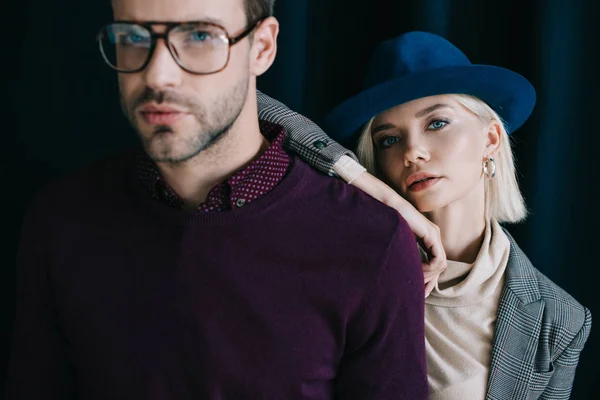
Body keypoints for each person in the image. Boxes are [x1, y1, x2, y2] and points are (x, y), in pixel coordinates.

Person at [5, 1, 429, 399]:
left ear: (261, 48)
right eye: (133, 38)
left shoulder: (371, 244)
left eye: (200, 36)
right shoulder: (62, 219)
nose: (157, 76)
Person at [260, 31, 593, 400]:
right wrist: (373, 187)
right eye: (389, 139)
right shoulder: (349, 256)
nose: (413, 152)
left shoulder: (559, 319)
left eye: (436, 123)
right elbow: (248, 106)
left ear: (491, 139)